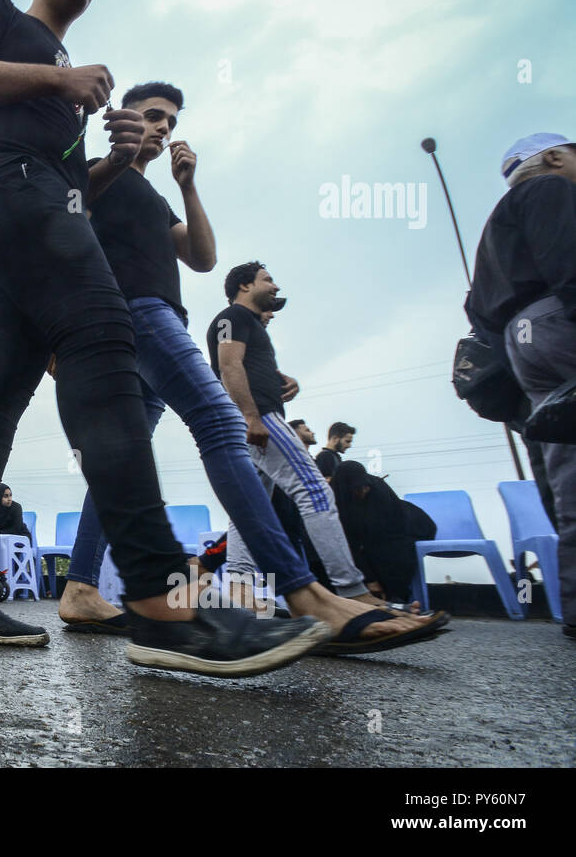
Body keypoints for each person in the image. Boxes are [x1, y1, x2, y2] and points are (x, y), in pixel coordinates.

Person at [0, 0, 331, 675]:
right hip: (2, 193)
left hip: (30, 204)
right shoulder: (6, 15)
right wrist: (58, 83)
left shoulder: (69, 84)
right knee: (104, 338)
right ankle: (160, 603)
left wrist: (118, 159)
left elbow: (71, 192)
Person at [53, 82, 432, 649]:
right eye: (152, 116)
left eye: (171, 122)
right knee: (222, 424)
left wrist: (188, 186)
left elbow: (203, 258)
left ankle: (80, 587)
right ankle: (309, 595)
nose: (163, 128)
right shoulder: (97, 173)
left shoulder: (152, 197)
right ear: (125, 117)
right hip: (135, 313)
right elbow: (59, 225)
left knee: (121, 466)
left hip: (153, 321)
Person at [206, 263, 403, 611]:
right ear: (244, 284)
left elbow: (245, 363)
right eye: (268, 279)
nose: (275, 285)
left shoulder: (247, 323)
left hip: (257, 416)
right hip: (260, 418)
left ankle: (240, 591)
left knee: (249, 508)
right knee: (315, 491)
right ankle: (352, 591)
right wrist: (253, 417)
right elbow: (228, 366)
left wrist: (283, 378)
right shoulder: (232, 316)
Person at [466, 132, 576, 639]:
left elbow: (475, 309)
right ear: (553, 157)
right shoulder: (550, 190)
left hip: (521, 344)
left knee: (566, 470)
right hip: (557, 322)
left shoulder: (495, 224)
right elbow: (567, 258)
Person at [331, 461, 434, 605]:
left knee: (392, 552)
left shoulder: (378, 489)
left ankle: (397, 598)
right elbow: (350, 542)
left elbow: (394, 532)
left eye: (364, 487)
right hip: (375, 535)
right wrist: (370, 580)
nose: (363, 491)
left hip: (412, 526)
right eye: (356, 489)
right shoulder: (338, 500)